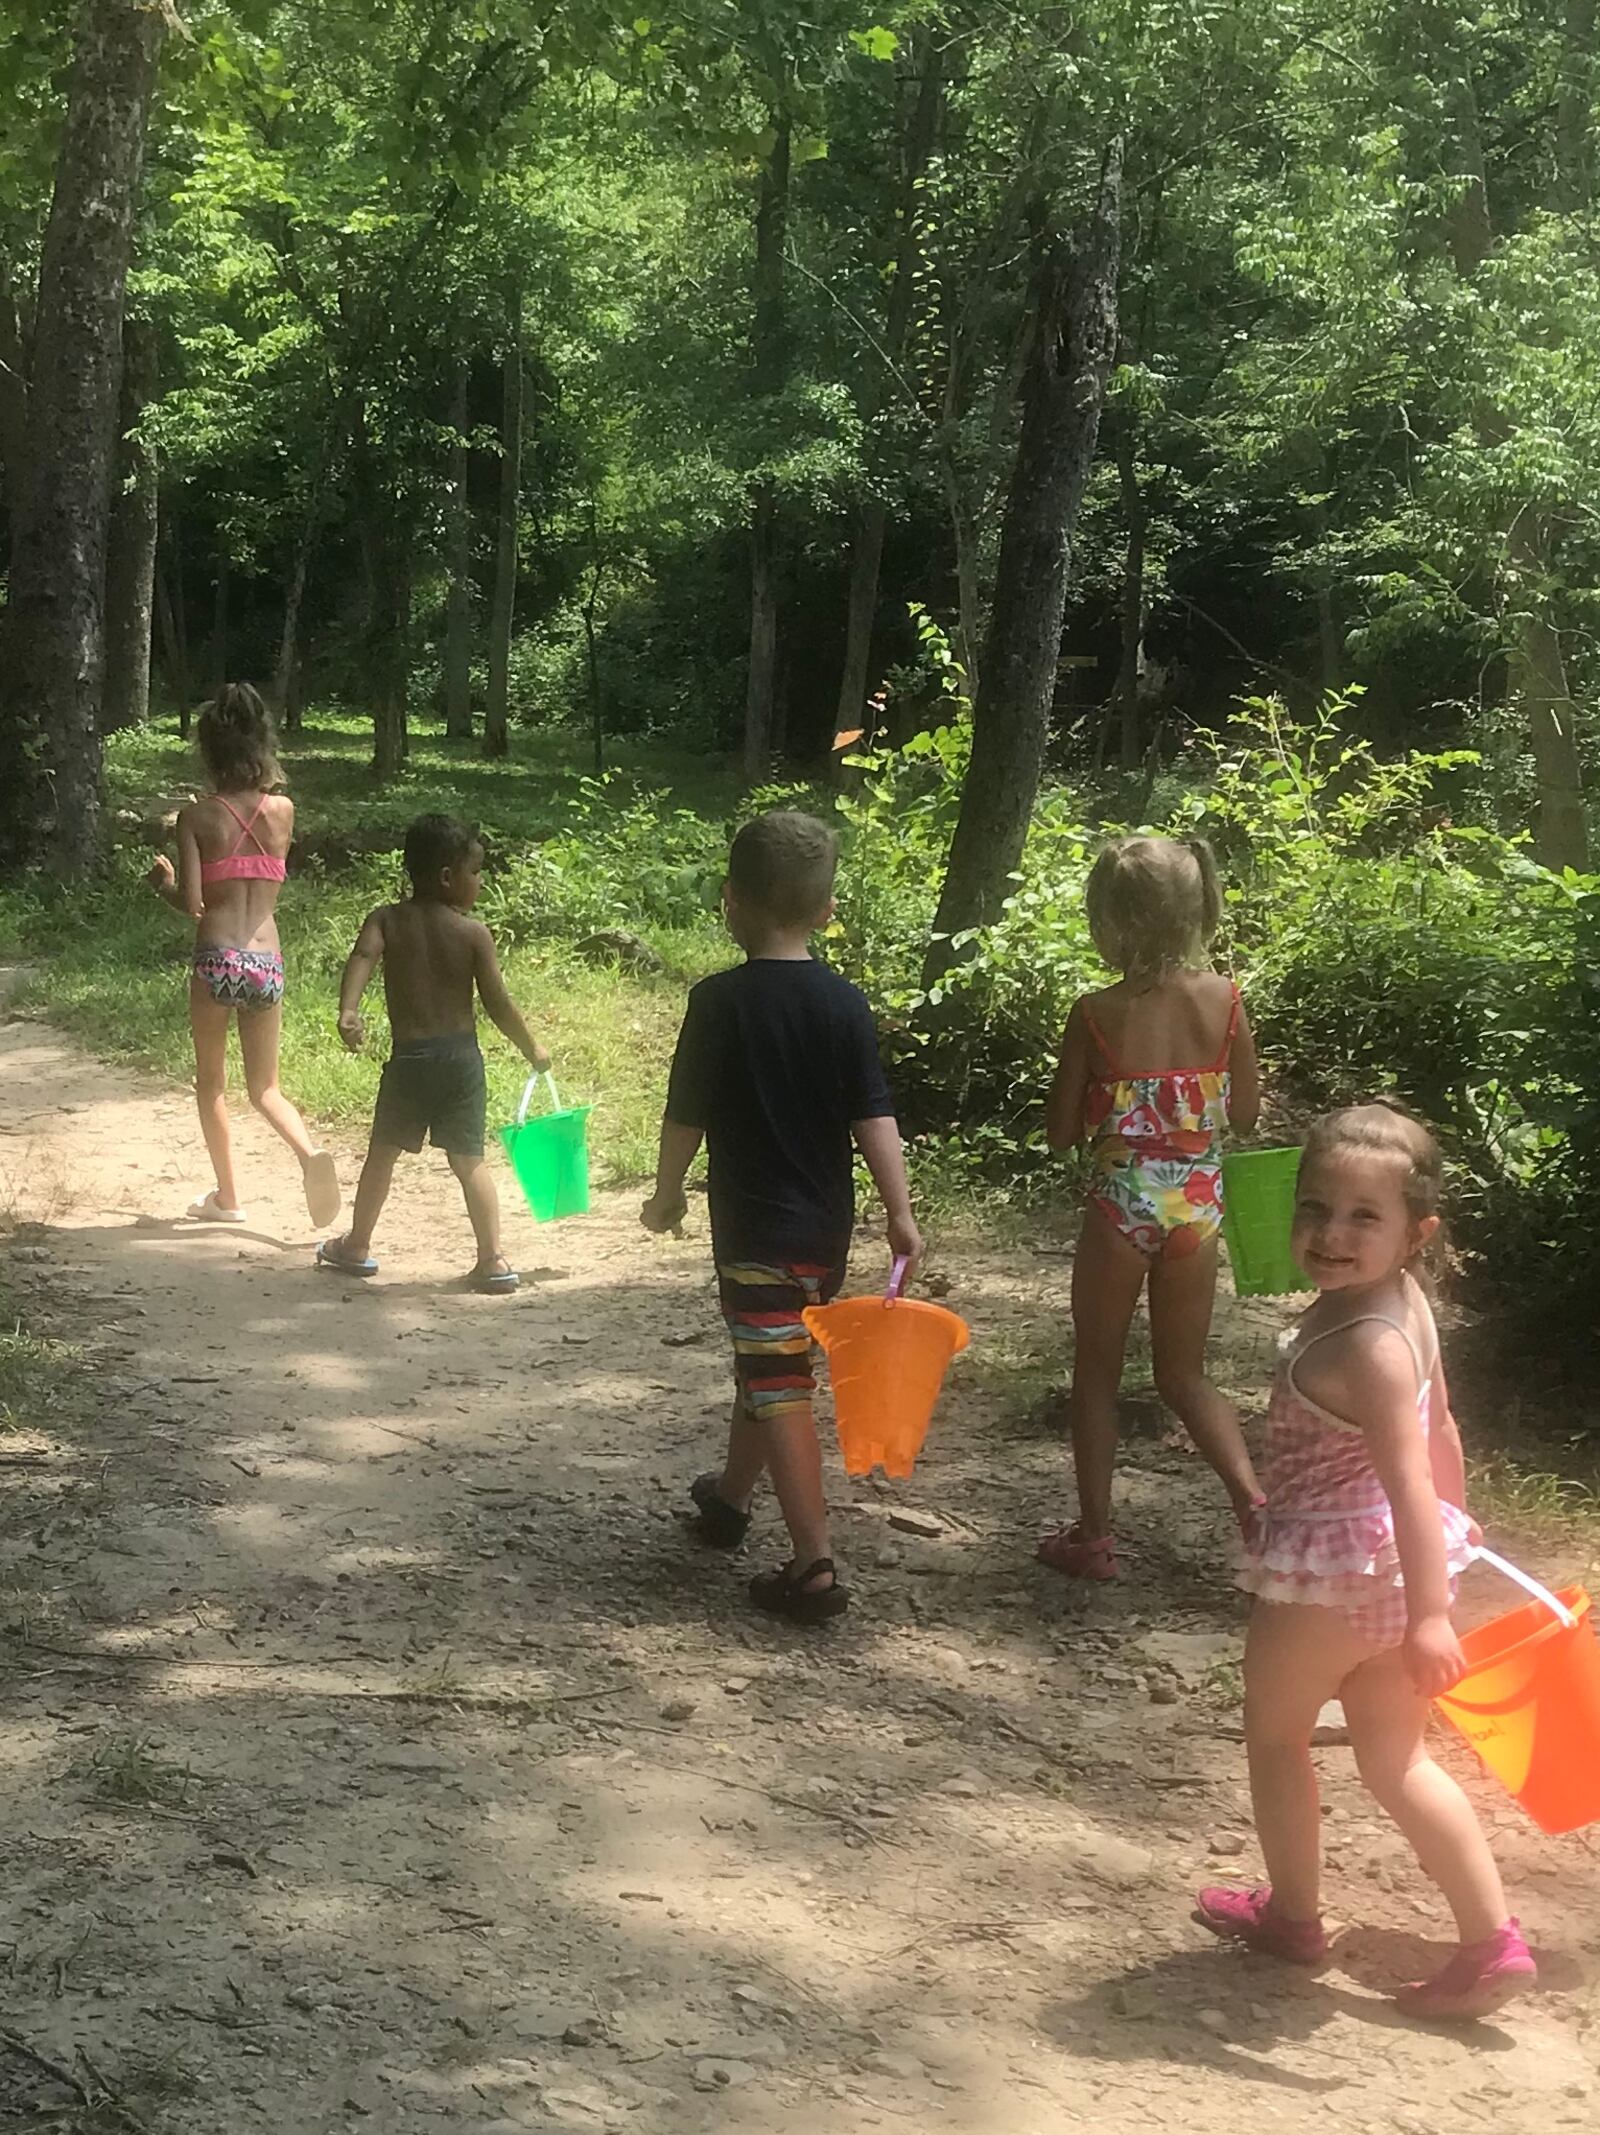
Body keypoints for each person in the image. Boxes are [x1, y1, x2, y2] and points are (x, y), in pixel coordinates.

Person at [1197, 1102, 1536, 2021]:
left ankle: (1295, 1918)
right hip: (1392, 1573)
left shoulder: (1367, 1344)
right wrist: (1443, 1567)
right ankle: (1491, 1937)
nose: (1331, 1234)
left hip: (1331, 1581)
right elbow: (1444, 1434)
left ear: (1416, 1231)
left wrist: (1434, 1612)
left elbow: (1409, 1477)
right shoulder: (1404, 1307)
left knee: (1275, 1737)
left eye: (1363, 1216)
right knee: (1396, 1757)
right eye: (1315, 1208)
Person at [640, 810, 922, 1624]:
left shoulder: (717, 1002)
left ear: (730, 900)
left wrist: (666, 1195)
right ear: (827, 909)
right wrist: (899, 1212)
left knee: (779, 1380)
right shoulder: (843, 1003)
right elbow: (874, 1116)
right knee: (769, 1364)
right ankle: (729, 1499)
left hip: (756, 1233)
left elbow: (683, 1116)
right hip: (823, 1235)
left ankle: (814, 1564)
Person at [1040, 835, 1262, 1577]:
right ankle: (1254, 1503)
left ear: (1115, 920)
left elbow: (1060, 1132)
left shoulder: (1095, 1012)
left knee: (1097, 1373)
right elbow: (1252, 1113)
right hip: (1198, 1204)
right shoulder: (1227, 1000)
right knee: (1184, 1374)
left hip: (1121, 1200)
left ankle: (1095, 1537)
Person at [316, 814, 549, 1294]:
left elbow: (362, 957)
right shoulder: (473, 934)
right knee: (470, 1162)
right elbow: (498, 1003)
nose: (480, 882)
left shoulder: (386, 919)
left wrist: (349, 1009)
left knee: (382, 1156)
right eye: (476, 871)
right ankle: (492, 1258)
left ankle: (357, 1245)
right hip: (462, 1062)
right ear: (448, 876)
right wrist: (533, 1047)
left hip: (411, 1063)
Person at [147, 683, 341, 1230]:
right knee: (266, 1088)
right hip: (267, 961)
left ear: (209, 751)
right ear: (263, 743)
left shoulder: (197, 817)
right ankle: (308, 1155)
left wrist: (162, 882)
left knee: (212, 1084)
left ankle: (229, 1198)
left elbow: (193, 904)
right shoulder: (284, 811)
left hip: (216, 958)